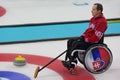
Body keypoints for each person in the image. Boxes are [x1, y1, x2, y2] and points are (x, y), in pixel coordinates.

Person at [62, 3, 108, 72]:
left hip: (93, 42)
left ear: (99, 11)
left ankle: (73, 64)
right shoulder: (92, 19)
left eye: (93, 9)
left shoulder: (102, 22)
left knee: (76, 44)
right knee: (70, 41)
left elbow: (96, 37)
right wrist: (83, 36)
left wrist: (87, 39)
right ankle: (71, 60)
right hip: (88, 39)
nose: (91, 11)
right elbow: (88, 30)